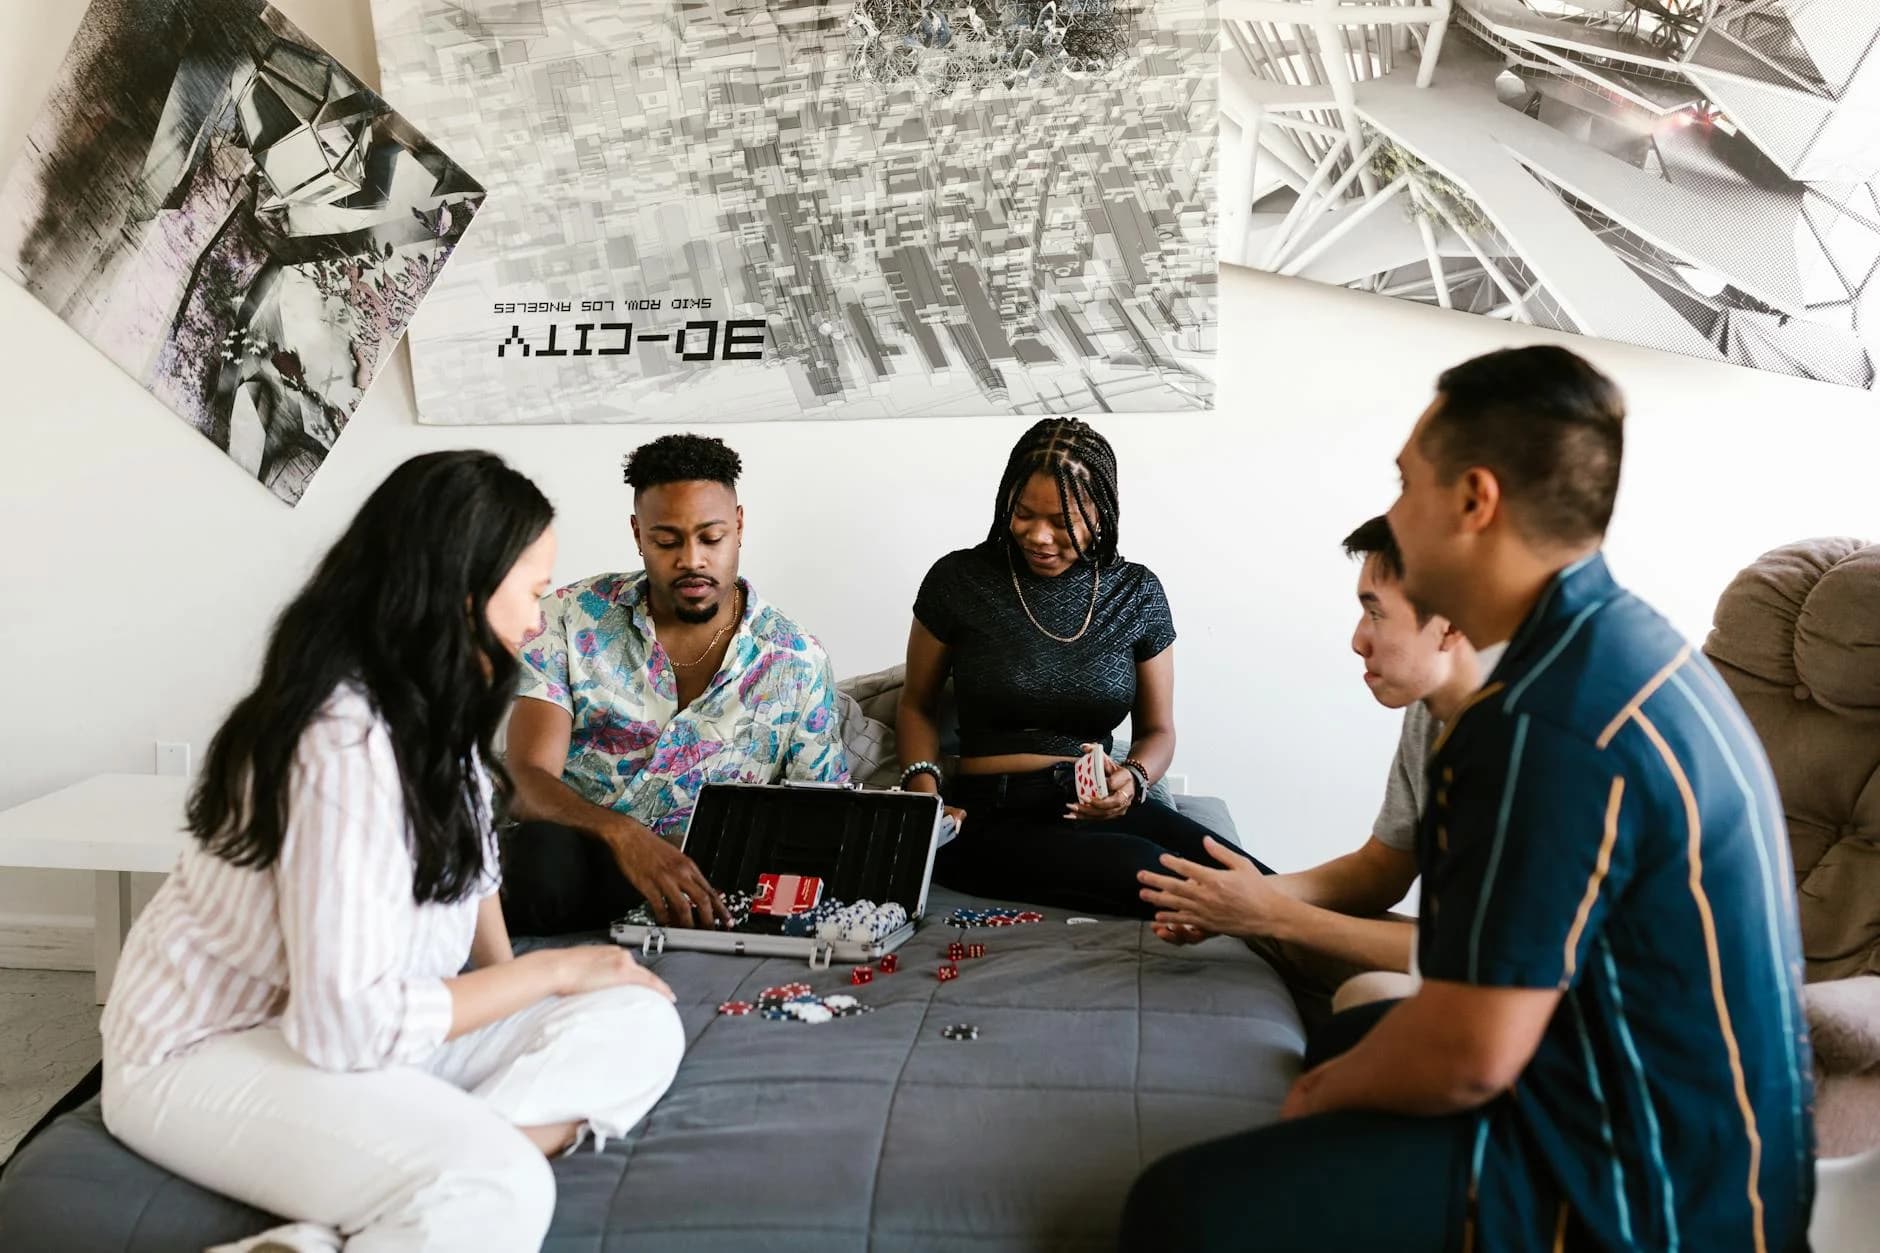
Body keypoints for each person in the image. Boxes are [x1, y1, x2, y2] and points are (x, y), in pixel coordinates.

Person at [1123, 346, 1814, 1252]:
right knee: (1344, 1045)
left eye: (1406, 485)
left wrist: (1316, 1101)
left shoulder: (1540, 723)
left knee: (1180, 1207)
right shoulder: (1632, 647)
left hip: (1646, 1197)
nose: (1395, 514)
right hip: (1725, 1154)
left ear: (1474, 500)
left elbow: (1471, 1052)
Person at [100, 452, 685, 1253]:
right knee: (503, 1184)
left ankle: (368, 1209)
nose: (538, 621)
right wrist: (550, 972)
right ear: (465, 590)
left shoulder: (437, 704)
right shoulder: (339, 744)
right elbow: (342, 1026)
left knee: (639, 1014)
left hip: (371, 1033)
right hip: (212, 1048)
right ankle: (429, 1187)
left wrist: (531, 991)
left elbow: (474, 876)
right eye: (535, 591)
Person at [898, 417, 1269, 917]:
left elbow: (1158, 731)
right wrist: (926, 802)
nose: (1039, 536)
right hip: (990, 817)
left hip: (1094, 803)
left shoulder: (1136, 593)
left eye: (1063, 521)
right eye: (1024, 513)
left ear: (1102, 513)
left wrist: (1134, 779)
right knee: (1159, 871)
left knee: (1251, 876)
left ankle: (1375, 955)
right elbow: (916, 704)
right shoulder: (958, 581)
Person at [1138, 516, 1482, 1027]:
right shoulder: (1427, 714)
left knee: (1363, 991)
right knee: (1272, 937)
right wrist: (1248, 897)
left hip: (1520, 992)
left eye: (1376, 614)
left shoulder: (1521, 738)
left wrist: (1273, 913)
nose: (1357, 640)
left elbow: (1474, 953)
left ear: (1450, 624)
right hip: (1463, 954)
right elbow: (1381, 869)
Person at [502, 435, 848, 934]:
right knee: (536, 860)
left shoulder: (797, 660)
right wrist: (625, 836)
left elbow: (821, 811)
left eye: (712, 538)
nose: (691, 559)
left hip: (713, 872)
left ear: (740, 527)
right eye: (667, 541)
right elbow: (527, 777)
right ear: (638, 533)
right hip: (581, 853)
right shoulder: (570, 617)